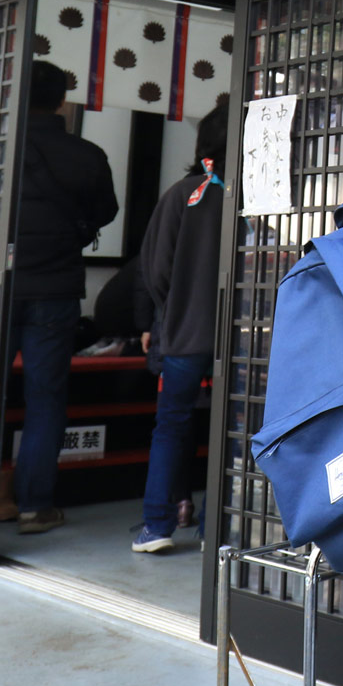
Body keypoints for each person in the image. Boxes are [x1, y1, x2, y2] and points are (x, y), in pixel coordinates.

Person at [11, 60, 120, 535]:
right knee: (45, 398)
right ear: (61, 100)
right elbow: (107, 210)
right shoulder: (87, 154)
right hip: (55, 288)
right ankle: (35, 505)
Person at [131, 99, 231, 553]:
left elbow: (154, 272)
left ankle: (157, 526)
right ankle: (216, 526)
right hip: (239, 337)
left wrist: (170, 308)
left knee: (171, 426)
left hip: (183, 334)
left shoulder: (181, 195)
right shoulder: (246, 199)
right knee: (231, 427)